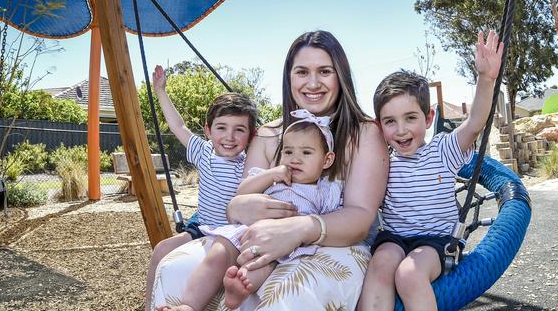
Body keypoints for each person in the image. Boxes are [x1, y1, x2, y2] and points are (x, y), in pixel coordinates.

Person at [151, 31, 389, 310]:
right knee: (173, 269)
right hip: (255, 236)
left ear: (341, 76)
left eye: (325, 71)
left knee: (288, 293)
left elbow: (360, 217)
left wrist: (298, 229)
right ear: (289, 78)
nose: (313, 83)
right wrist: (244, 206)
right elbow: (236, 205)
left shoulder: (363, 134)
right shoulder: (268, 134)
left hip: (332, 244)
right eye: (302, 72)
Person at [358, 30, 503, 310]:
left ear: (428, 118)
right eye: (390, 121)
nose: (401, 130)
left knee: (409, 274)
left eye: (410, 118)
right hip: (395, 238)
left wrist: (486, 79)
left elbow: (474, 124)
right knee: (380, 266)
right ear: (379, 126)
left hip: (436, 242)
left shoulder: (441, 150)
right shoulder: (382, 160)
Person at [156, 109, 342, 311]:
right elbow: (242, 191)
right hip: (244, 231)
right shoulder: (272, 179)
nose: (295, 159)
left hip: (282, 242)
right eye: (288, 152)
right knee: (218, 254)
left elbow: (336, 220)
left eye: (306, 152)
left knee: (262, 265)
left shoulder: (326, 189)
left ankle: (239, 289)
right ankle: (189, 305)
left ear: (327, 160)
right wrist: (271, 174)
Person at [144, 65, 258, 309]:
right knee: (161, 249)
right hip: (202, 225)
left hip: (230, 233)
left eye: (239, 130)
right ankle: (149, 306)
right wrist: (161, 91)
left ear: (251, 136)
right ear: (208, 130)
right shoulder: (203, 151)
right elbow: (178, 126)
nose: (229, 136)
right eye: (221, 128)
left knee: (219, 261)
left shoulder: (249, 164)